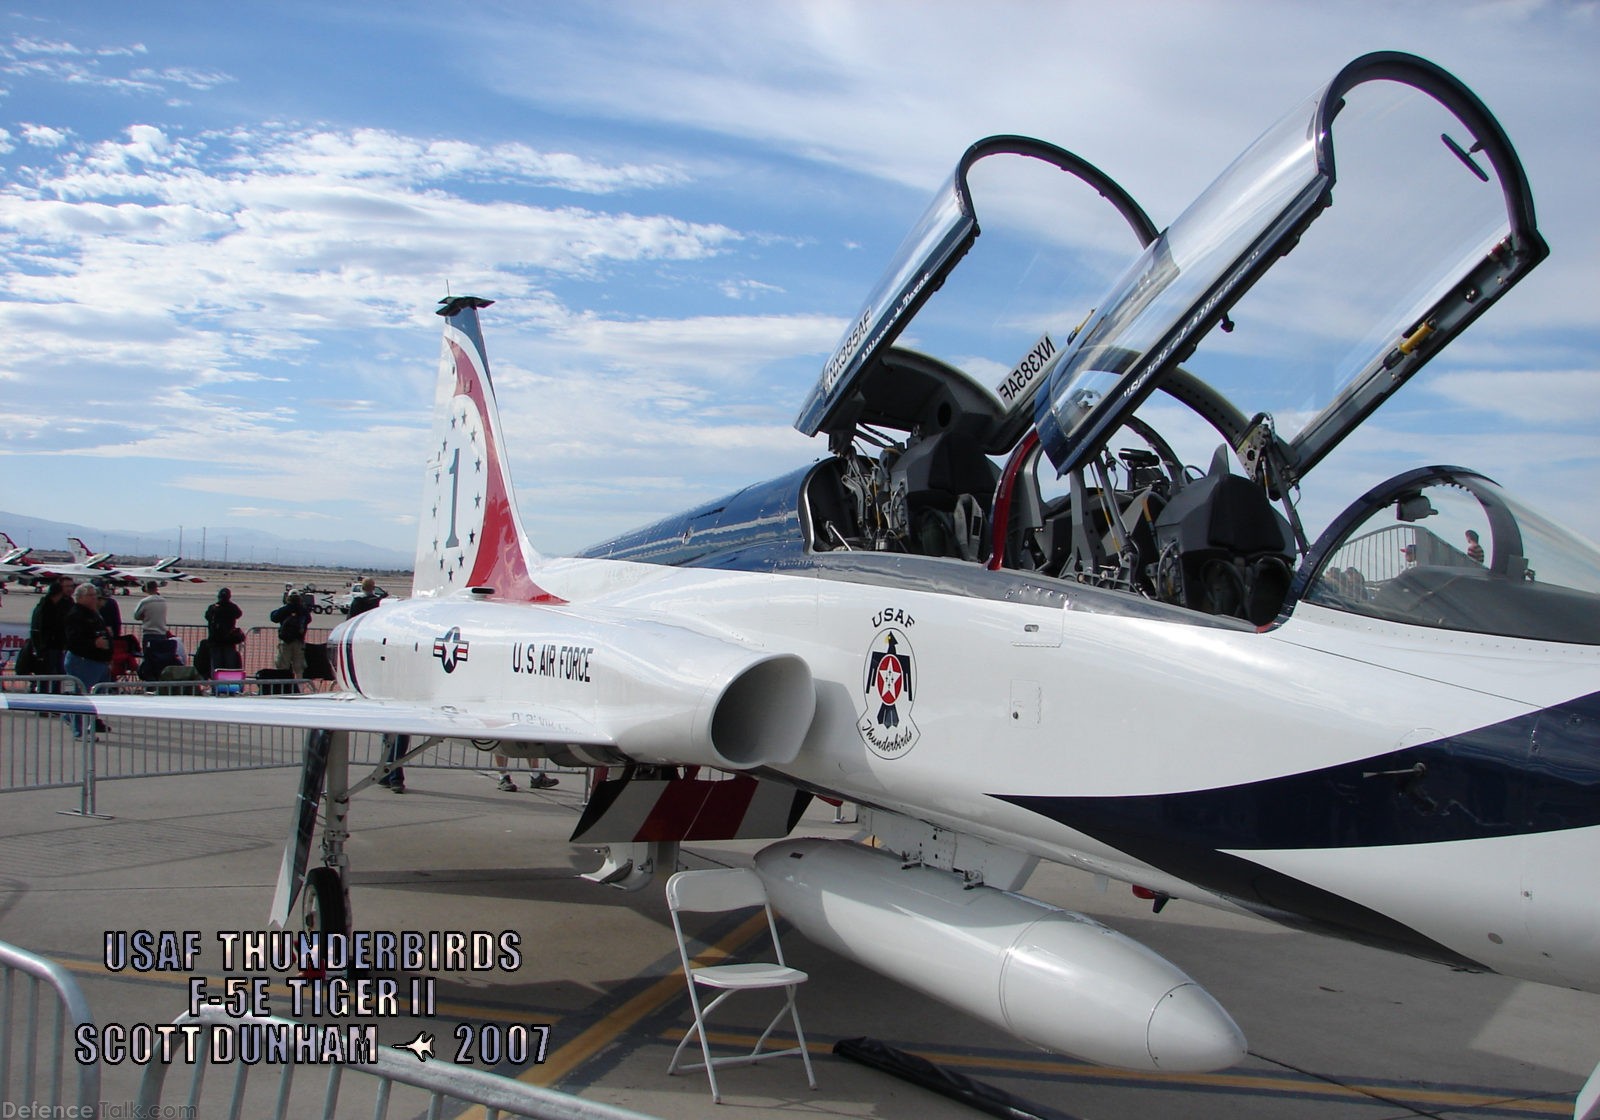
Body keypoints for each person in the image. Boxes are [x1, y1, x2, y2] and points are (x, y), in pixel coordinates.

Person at [63, 583, 114, 736]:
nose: (95, 598)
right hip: (83, 660)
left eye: (95, 595)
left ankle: (88, 721)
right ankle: (78, 729)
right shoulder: (76, 615)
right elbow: (73, 641)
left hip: (100, 662)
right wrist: (93, 643)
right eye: (91, 595)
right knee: (81, 695)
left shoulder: (94, 614)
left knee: (98, 695)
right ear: (81, 597)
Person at [28, 576, 74, 693]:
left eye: (72, 586)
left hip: (62, 646)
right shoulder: (45, 605)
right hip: (48, 647)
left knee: (59, 675)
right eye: (67, 586)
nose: (71, 589)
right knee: (47, 675)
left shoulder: (69, 602)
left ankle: (55, 699)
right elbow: (40, 626)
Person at [269, 592, 312, 679]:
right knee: (299, 667)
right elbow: (308, 620)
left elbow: (274, 617)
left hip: (285, 641)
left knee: (283, 666)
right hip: (299, 641)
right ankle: (299, 688)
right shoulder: (303, 610)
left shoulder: (285, 609)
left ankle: (283, 687)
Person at [205, 587, 245, 673]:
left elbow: (207, 617)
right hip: (227, 640)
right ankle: (227, 683)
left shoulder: (213, 608)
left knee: (217, 666)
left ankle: (216, 684)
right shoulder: (232, 607)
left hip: (216, 640)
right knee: (229, 666)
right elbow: (238, 614)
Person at [132, 580, 170, 657]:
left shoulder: (145, 602)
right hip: (162, 633)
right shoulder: (163, 601)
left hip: (149, 633)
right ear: (156, 588)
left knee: (148, 657)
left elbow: (136, 616)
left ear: (146, 589)